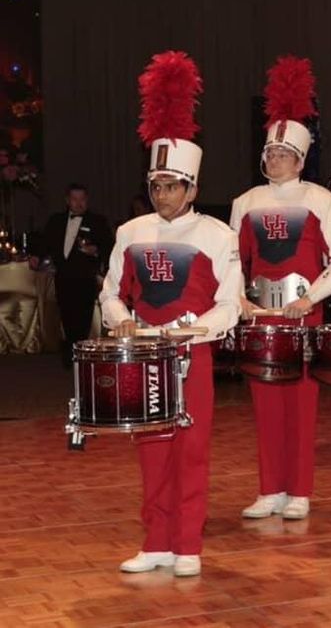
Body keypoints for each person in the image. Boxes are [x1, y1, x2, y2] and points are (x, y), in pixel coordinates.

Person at [100, 51, 241, 577]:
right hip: (144, 359)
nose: (162, 195)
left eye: (172, 186)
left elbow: (230, 303)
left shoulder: (217, 235)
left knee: (191, 451)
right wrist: (123, 322)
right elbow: (111, 293)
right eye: (156, 186)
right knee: (151, 453)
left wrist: (195, 330)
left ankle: (187, 546)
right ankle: (156, 542)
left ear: (193, 189)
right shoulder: (129, 233)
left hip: (191, 358)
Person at [231, 56, 331, 521]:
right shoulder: (246, 202)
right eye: (271, 154)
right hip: (261, 316)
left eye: (285, 155)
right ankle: (269, 490)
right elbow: (231, 261)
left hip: (304, 313)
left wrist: (311, 299)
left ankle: (299, 490)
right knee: (264, 403)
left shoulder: (321, 199)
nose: (276, 160)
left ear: (301, 159)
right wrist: (238, 299)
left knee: (302, 403)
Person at [36, 183, 112, 365]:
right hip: (62, 277)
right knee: (66, 315)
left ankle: (80, 355)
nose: (78, 203)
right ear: (67, 200)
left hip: (85, 277)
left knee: (83, 317)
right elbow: (44, 242)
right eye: (74, 199)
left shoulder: (97, 221)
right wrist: (36, 256)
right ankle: (71, 352)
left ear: (87, 200)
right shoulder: (56, 220)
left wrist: (95, 250)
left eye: (82, 199)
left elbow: (109, 246)